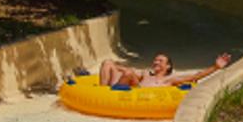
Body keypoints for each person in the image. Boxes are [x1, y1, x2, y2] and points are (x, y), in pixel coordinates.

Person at [99, 52, 231, 88]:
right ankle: (101, 91)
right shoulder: (146, 73)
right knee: (107, 63)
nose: (156, 62)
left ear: (168, 66)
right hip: (128, 90)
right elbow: (128, 71)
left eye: (160, 61)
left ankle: (106, 92)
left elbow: (195, 76)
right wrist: (113, 66)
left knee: (128, 72)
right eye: (155, 60)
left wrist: (215, 67)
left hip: (142, 97)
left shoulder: (169, 80)